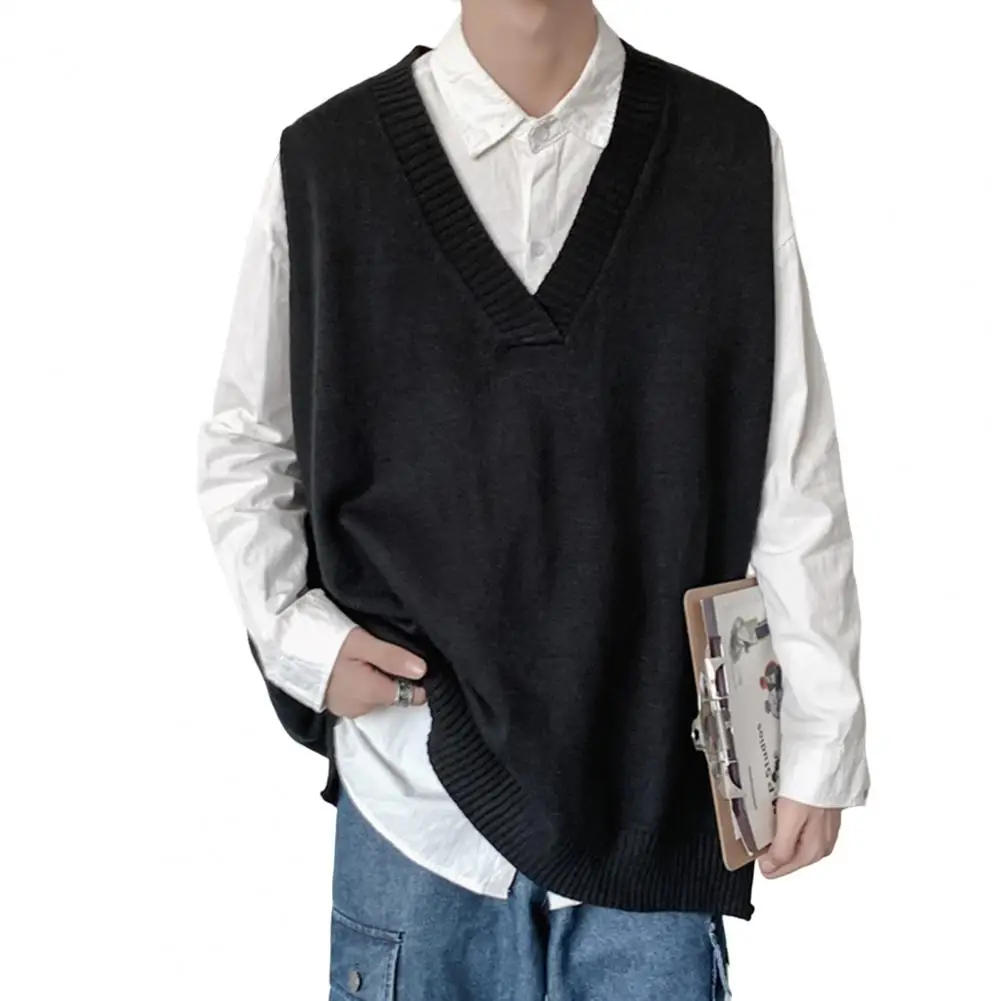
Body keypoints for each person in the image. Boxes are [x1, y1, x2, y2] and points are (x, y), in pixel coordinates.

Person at [195, 2, 870, 998]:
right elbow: (248, 442)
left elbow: (788, 457)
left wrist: (820, 735)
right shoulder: (329, 160)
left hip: (651, 786)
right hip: (414, 784)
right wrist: (300, 641)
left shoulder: (722, 149)